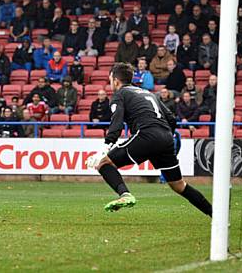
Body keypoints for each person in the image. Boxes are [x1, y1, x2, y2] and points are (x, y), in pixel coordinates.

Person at [86, 62, 212, 216]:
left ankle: (125, 195)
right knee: (179, 185)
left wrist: (104, 148)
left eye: (110, 79)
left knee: (103, 163)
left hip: (146, 135)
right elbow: (171, 119)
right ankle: (216, 215)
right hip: (166, 138)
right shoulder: (148, 93)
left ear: (116, 81)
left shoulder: (120, 94)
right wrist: (166, 139)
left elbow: (116, 124)